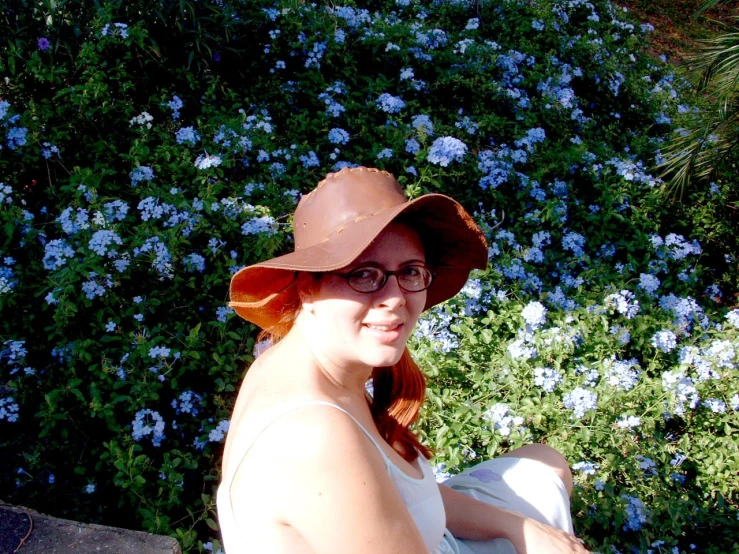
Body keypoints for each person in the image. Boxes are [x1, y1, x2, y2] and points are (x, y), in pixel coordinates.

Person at [218, 167, 588, 553]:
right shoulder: (316, 436)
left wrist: (522, 528)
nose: (395, 298)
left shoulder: (295, 364)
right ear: (308, 287)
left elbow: (401, 495)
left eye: (409, 271)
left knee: (546, 463)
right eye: (363, 274)